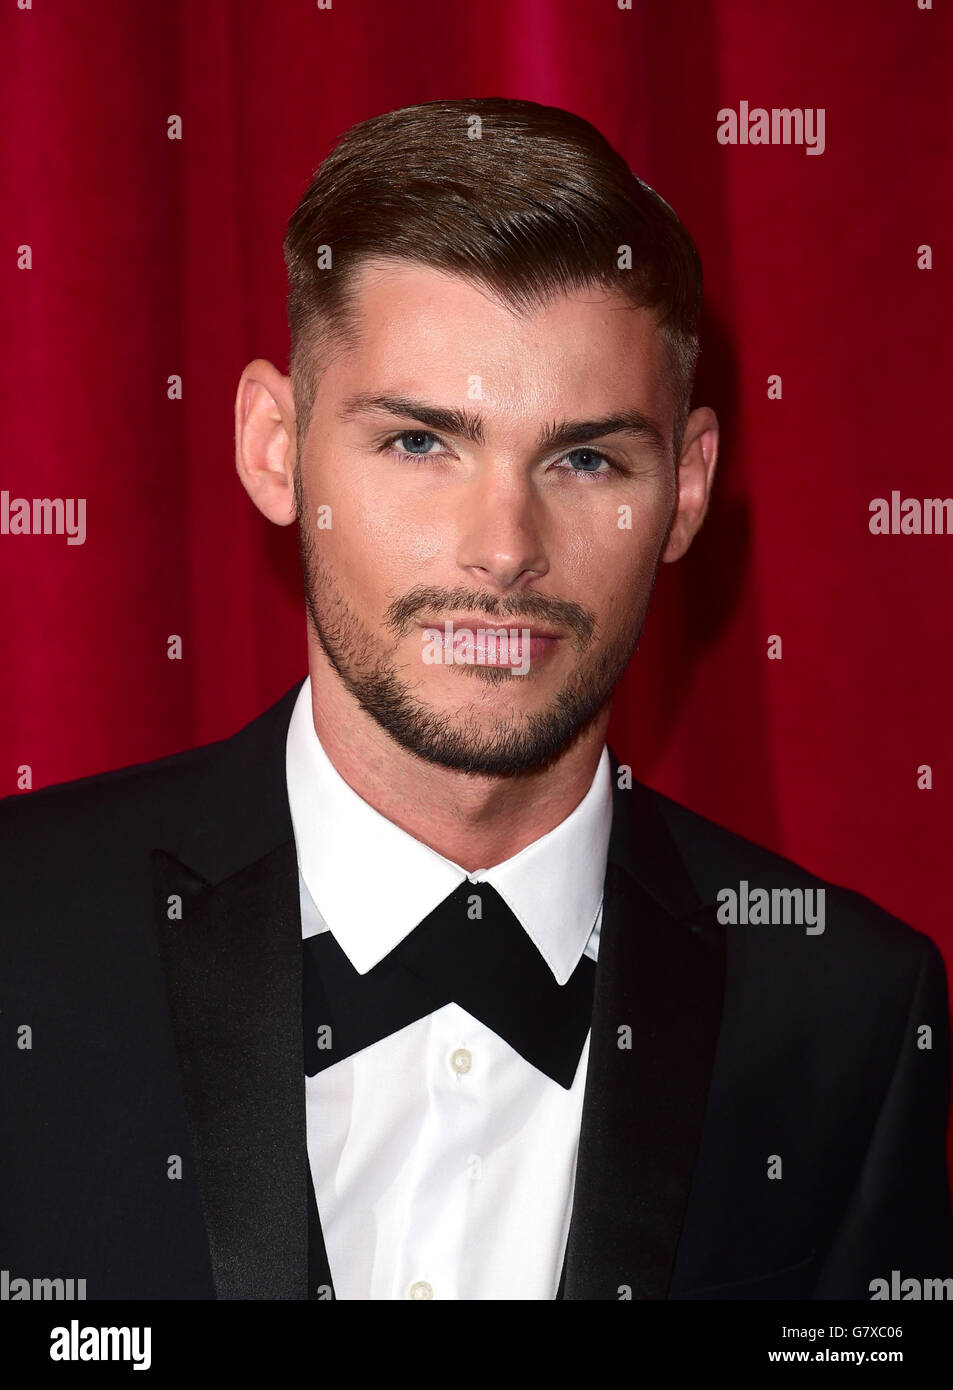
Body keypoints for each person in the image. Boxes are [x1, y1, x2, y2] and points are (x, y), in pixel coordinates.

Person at [2, 97, 951, 1303]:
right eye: (418, 443)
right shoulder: (20, 943)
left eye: (585, 459)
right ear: (273, 447)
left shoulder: (848, 1017)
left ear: (689, 487)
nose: (502, 547)